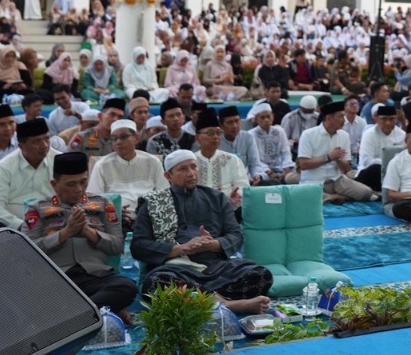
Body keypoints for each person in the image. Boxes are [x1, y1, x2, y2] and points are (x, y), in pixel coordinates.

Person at [132, 151, 273, 314]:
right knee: (155, 283)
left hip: (216, 269)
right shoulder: (152, 203)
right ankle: (228, 305)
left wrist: (214, 244)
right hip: (175, 269)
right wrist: (182, 248)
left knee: (262, 274)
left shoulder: (217, 198)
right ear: (168, 175)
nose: (191, 174)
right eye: (183, 169)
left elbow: (236, 235)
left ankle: (204, 302)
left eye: (193, 167)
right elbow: (138, 246)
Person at [22, 152, 136, 322]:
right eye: (71, 184)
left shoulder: (103, 203)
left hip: (96, 277)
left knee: (127, 287)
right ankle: (100, 311)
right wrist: (65, 233)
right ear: (54, 184)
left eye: (83, 182)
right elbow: (26, 251)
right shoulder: (38, 208)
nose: (79, 189)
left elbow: (118, 246)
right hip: (57, 279)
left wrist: (89, 232)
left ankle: (72, 318)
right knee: (31, 299)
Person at [87, 120, 167, 227]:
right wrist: (113, 210)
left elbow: (164, 194)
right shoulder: (102, 165)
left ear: (137, 138)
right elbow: (93, 198)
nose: (118, 142)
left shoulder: (152, 162)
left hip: (150, 218)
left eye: (123, 137)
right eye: (114, 139)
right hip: (115, 219)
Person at [297, 100, 377, 203]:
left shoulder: (344, 135)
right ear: (329, 118)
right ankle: (334, 197)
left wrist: (338, 159)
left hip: (336, 180)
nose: (344, 120)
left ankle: (332, 197)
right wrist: (329, 158)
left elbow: (347, 168)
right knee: (304, 195)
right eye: (340, 116)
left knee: (366, 193)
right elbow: (303, 164)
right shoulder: (308, 134)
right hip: (314, 181)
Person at [0, 117, 57, 229]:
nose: (45, 145)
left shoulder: (59, 161)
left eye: (47, 139)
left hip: (54, 223)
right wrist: (21, 226)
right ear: (21, 146)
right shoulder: (6, 166)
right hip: (17, 230)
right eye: (37, 141)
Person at [191, 110, 249, 209]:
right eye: (210, 133)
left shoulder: (232, 159)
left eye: (218, 133)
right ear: (197, 138)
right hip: (197, 210)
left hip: (227, 209)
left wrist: (234, 198)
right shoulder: (191, 161)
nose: (216, 137)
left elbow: (243, 187)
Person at [355, 104, 406, 190]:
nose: (388, 122)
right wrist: (386, 163)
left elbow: (403, 159)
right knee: (376, 169)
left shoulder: (401, 135)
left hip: (394, 173)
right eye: (384, 119)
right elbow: (366, 161)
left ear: (396, 119)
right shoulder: (369, 134)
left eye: (391, 119)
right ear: (377, 120)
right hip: (371, 172)